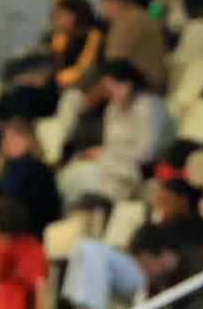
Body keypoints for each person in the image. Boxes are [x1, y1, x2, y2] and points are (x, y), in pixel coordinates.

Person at [56, 60, 175, 202]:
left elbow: (148, 153)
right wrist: (101, 154)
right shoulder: (112, 109)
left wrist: (106, 154)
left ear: (128, 84)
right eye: (106, 90)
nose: (109, 94)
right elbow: (110, 144)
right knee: (72, 173)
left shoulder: (149, 105)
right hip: (115, 162)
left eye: (113, 88)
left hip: (144, 168)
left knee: (90, 177)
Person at [100, 0, 169, 94]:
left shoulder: (127, 21)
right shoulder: (141, 15)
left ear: (112, 1)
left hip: (143, 90)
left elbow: (115, 65)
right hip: (151, 85)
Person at [0, 118, 63, 238]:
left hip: (27, 233)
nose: (12, 142)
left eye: (18, 137)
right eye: (8, 138)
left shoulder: (36, 169)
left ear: (30, 140)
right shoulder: (1, 169)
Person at [51, 0, 106, 90]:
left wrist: (59, 78)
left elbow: (85, 68)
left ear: (75, 16)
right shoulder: (60, 36)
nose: (59, 20)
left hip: (84, 86)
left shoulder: (93, 36)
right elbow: (54, 63)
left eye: (63, 15)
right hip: (60, 84)